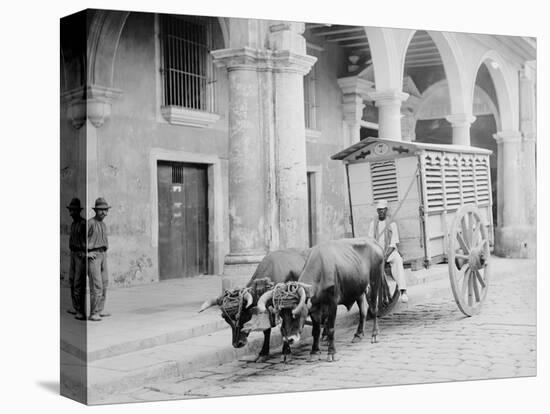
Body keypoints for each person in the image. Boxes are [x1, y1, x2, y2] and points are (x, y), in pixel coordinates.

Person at [368, 200, 409, 303]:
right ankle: (375, 295)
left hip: (389, 253)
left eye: (383, 210)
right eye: (379, 210)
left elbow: (393, 243)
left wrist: (385, 256)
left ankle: (403, 290)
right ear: (377, 211)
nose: (381, 212)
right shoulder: (373, 224)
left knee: (397, 260)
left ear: (386, 210)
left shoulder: (392, 223)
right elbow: (370, 241)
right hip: (377, 253)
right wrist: (377, 254)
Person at [87, 197, 112, 321]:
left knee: (105, 283)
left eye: (106, 210)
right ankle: (93, 313)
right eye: (101, 210)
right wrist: (86, 253)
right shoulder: (90, 223)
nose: (104, 212)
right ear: (96, 210)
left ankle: (100, 309)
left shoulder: (103, 224)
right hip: (94, 256)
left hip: (103, 255)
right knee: (96, 285)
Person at [67, 198, 87, 320]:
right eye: (70, 211)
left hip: (80, 255)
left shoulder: (83, 224)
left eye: (73, 211)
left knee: (78, 283)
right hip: (73, 254)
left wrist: (85, 253)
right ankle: (75, 307)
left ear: (78, 211)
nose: (71, 213)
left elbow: (87, 240)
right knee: (71, 280)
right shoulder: (73, 224)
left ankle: (80, 310)